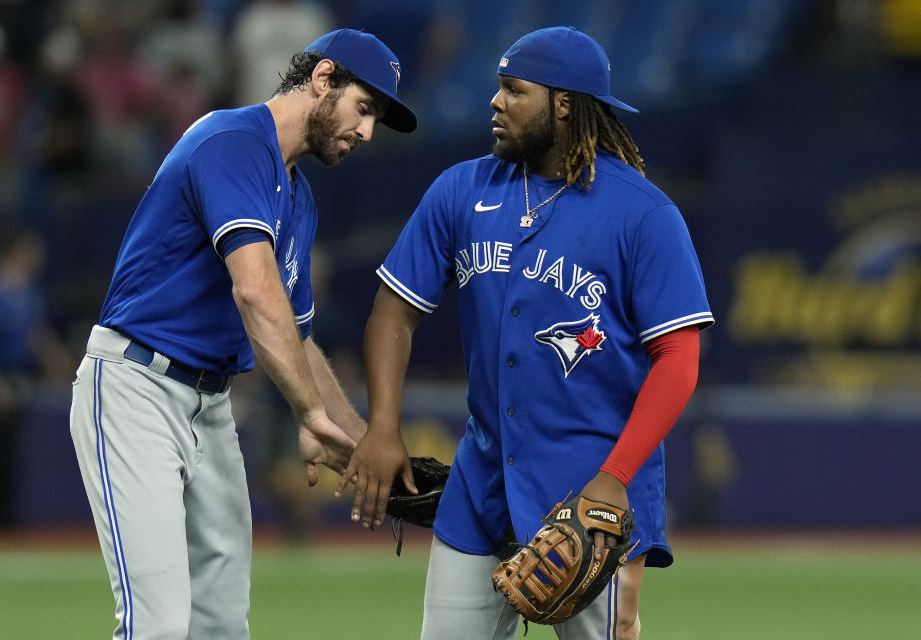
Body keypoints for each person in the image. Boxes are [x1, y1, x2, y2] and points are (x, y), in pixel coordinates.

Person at [337, 27, 713, 639]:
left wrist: (614, 480)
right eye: (497, 89)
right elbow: (392, 311)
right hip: (482, 480)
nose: (496, 102)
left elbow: (679, 358)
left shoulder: (644, 214)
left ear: (563, 104)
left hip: (594, 497)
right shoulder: (462, 189)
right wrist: (382, 426)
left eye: (514, 91)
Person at [69, 28, 416, 639]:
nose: (367, 132)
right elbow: (254, 291)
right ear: (322, 78)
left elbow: (300, 339)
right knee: (158, 623)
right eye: (364, 108)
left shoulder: (299, 199)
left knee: (223, 625)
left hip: (210, 403)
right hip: (136, 389)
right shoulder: (231, 140)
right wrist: (310, 415)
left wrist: (362, 445)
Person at [0, 227, 73, 528]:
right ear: (15, 251)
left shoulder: (28, 292)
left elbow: (37, 336)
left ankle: (7, 518)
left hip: (20, 380)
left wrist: (60, 366)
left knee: (15, 457)